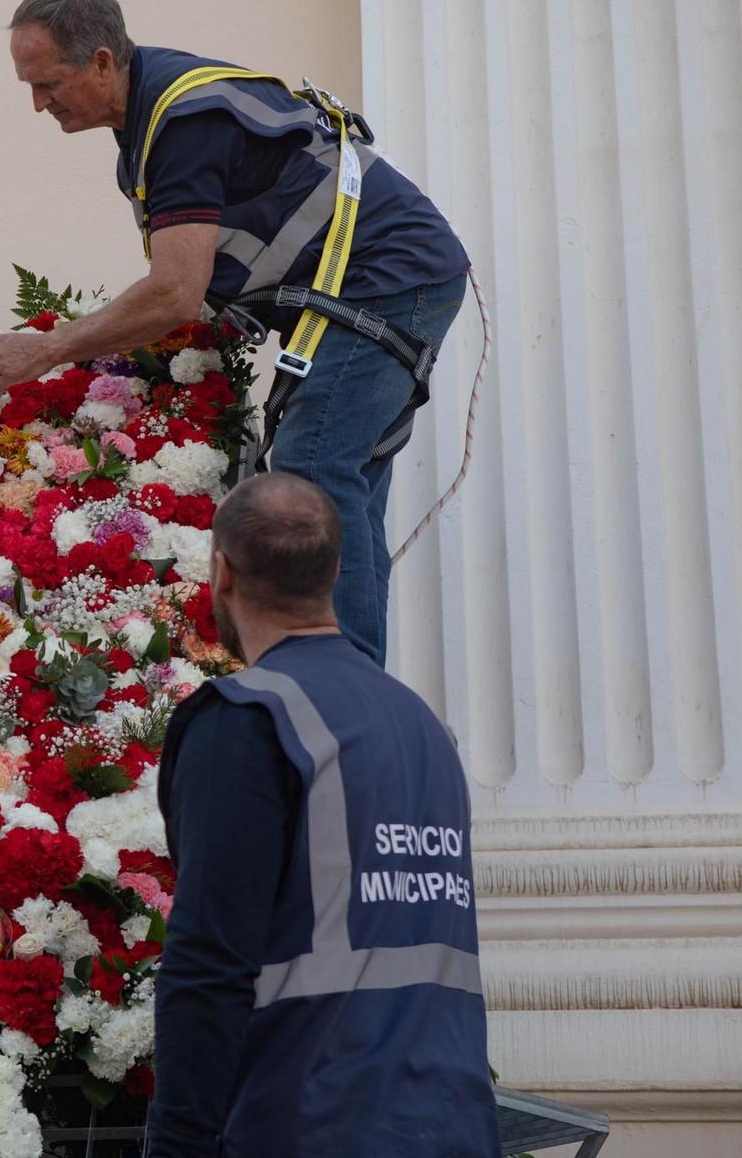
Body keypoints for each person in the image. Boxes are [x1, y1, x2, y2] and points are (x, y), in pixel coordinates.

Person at [0, 0, 471, 665]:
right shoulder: (149, 123)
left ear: (103, 62)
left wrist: (49, 348)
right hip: (382, 281)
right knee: (342, 487)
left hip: (387, 278)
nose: (39, 103)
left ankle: (336, 682)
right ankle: (355, 676)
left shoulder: (181, 121)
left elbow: (175, 290)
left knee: (313, 469)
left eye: (49, 83)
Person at [146, 471, 497, 1156]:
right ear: (337, 569)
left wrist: (177, 1144)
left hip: (310, 1121)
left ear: (220, 571)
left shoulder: (247, 719)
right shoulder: (422, 724)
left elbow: (208, 960)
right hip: (452, 1123)